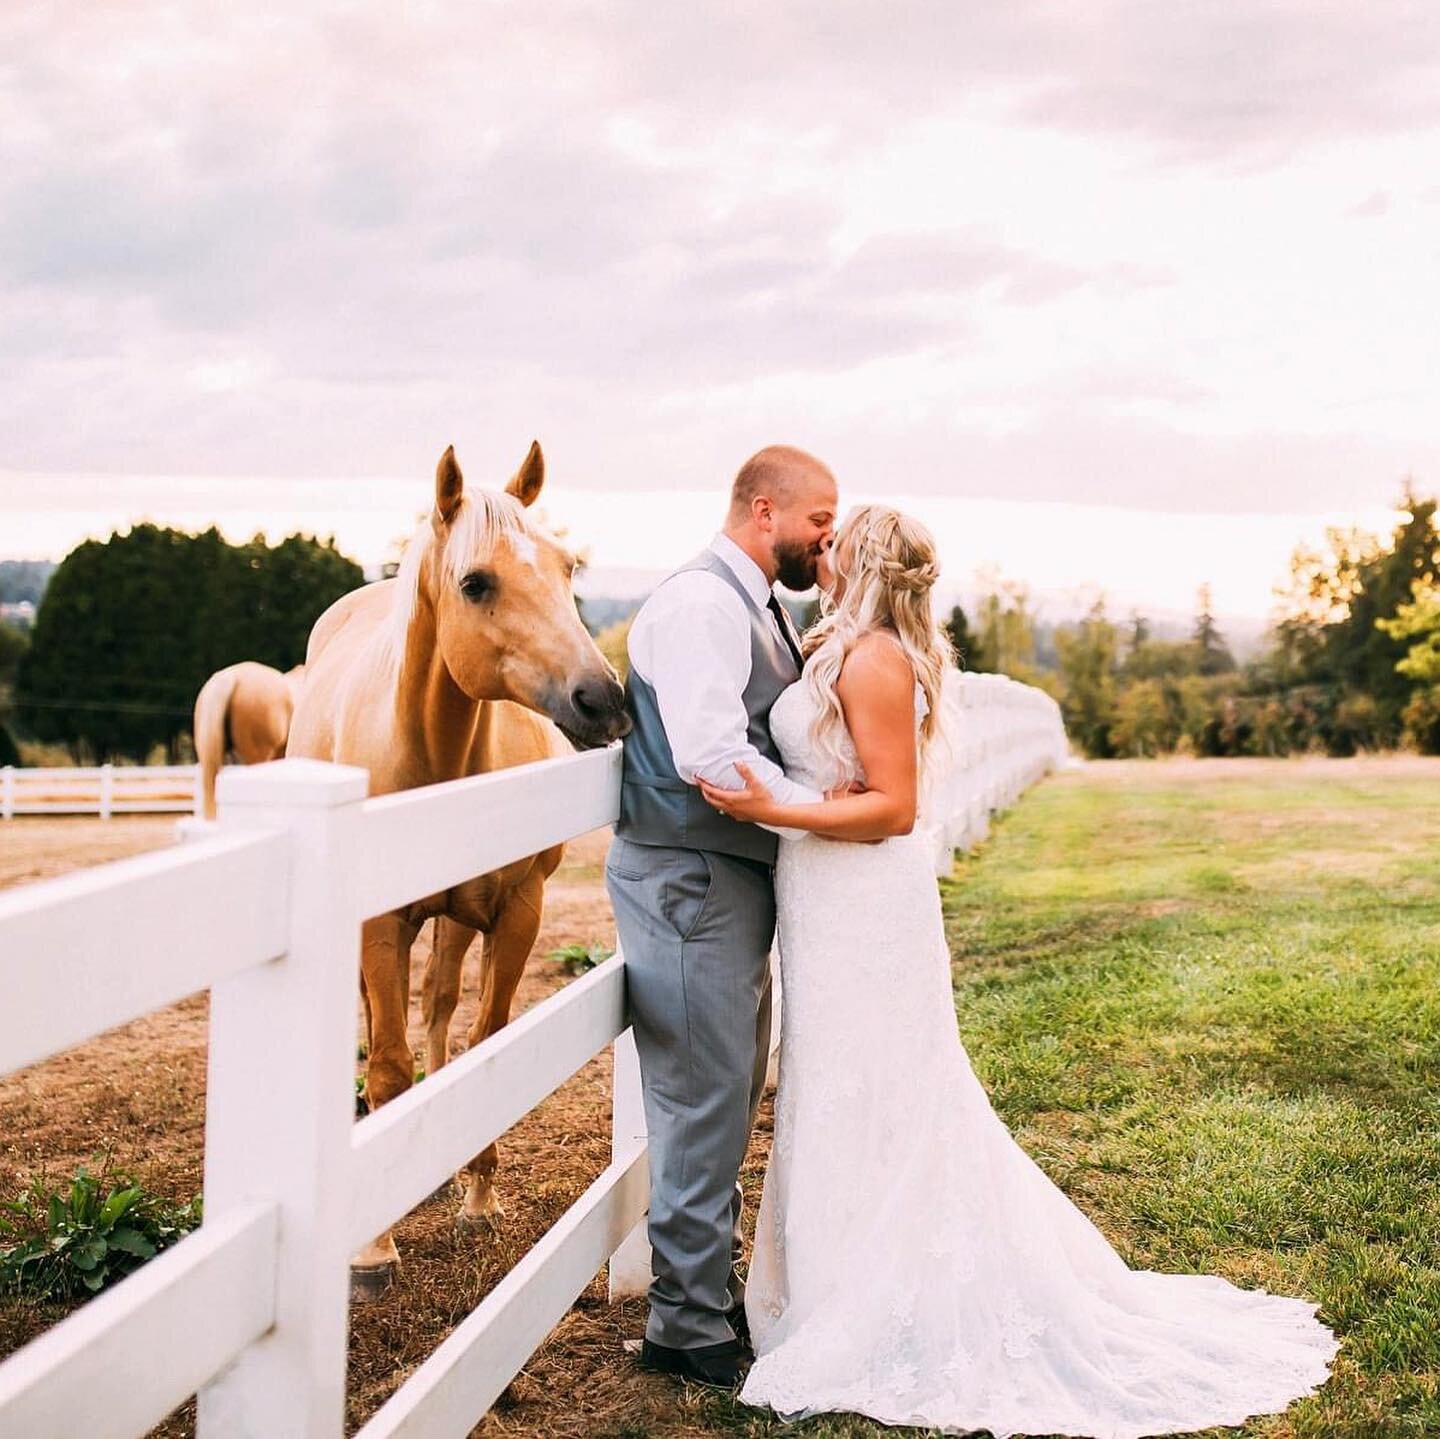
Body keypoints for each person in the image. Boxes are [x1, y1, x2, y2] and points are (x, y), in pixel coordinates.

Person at [695, 504, 1340, 1437]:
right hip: (828, 900)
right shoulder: (850, 645)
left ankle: (874, 1293)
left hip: (864, 902)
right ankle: (842, 1278)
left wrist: (773, 806)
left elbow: (895, 809)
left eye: (839, 541)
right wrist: (812, 798)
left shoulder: (875, 657)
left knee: (880, 1084)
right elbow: (861, 782)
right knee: (844, 1082)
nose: (821, 550)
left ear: (866, 562)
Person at [605, 444, 839, 1387]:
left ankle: (703, 1300)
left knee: (729, 1088)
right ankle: (688, 1328)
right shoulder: (705, 602)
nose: (830, 533)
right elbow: (711, 751)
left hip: (720, 877)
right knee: (705, 1098)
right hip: (691, 878)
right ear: (765, 508)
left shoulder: (756, 603)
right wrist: (824, 815)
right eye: (821, 516)